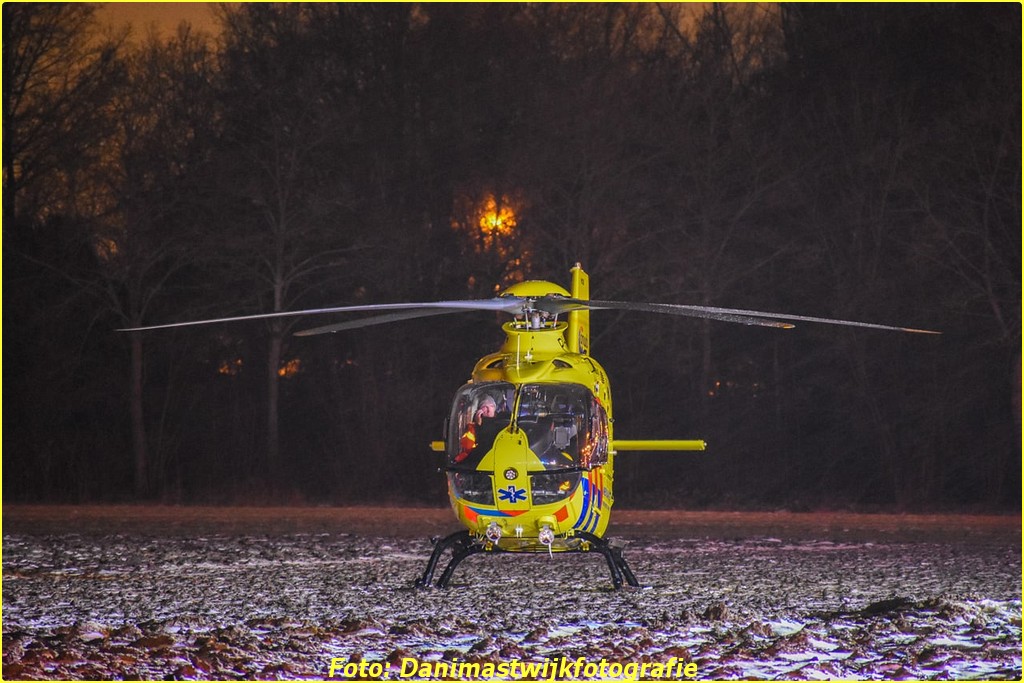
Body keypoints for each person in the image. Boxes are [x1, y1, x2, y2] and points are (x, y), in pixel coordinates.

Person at [455, 396, 497, 463]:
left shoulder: (502, 422)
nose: (489, 410)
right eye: (485, 407)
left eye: (491, 406)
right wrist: (478, 426)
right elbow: (468, 447)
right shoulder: (472, 427)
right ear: (479, 411)